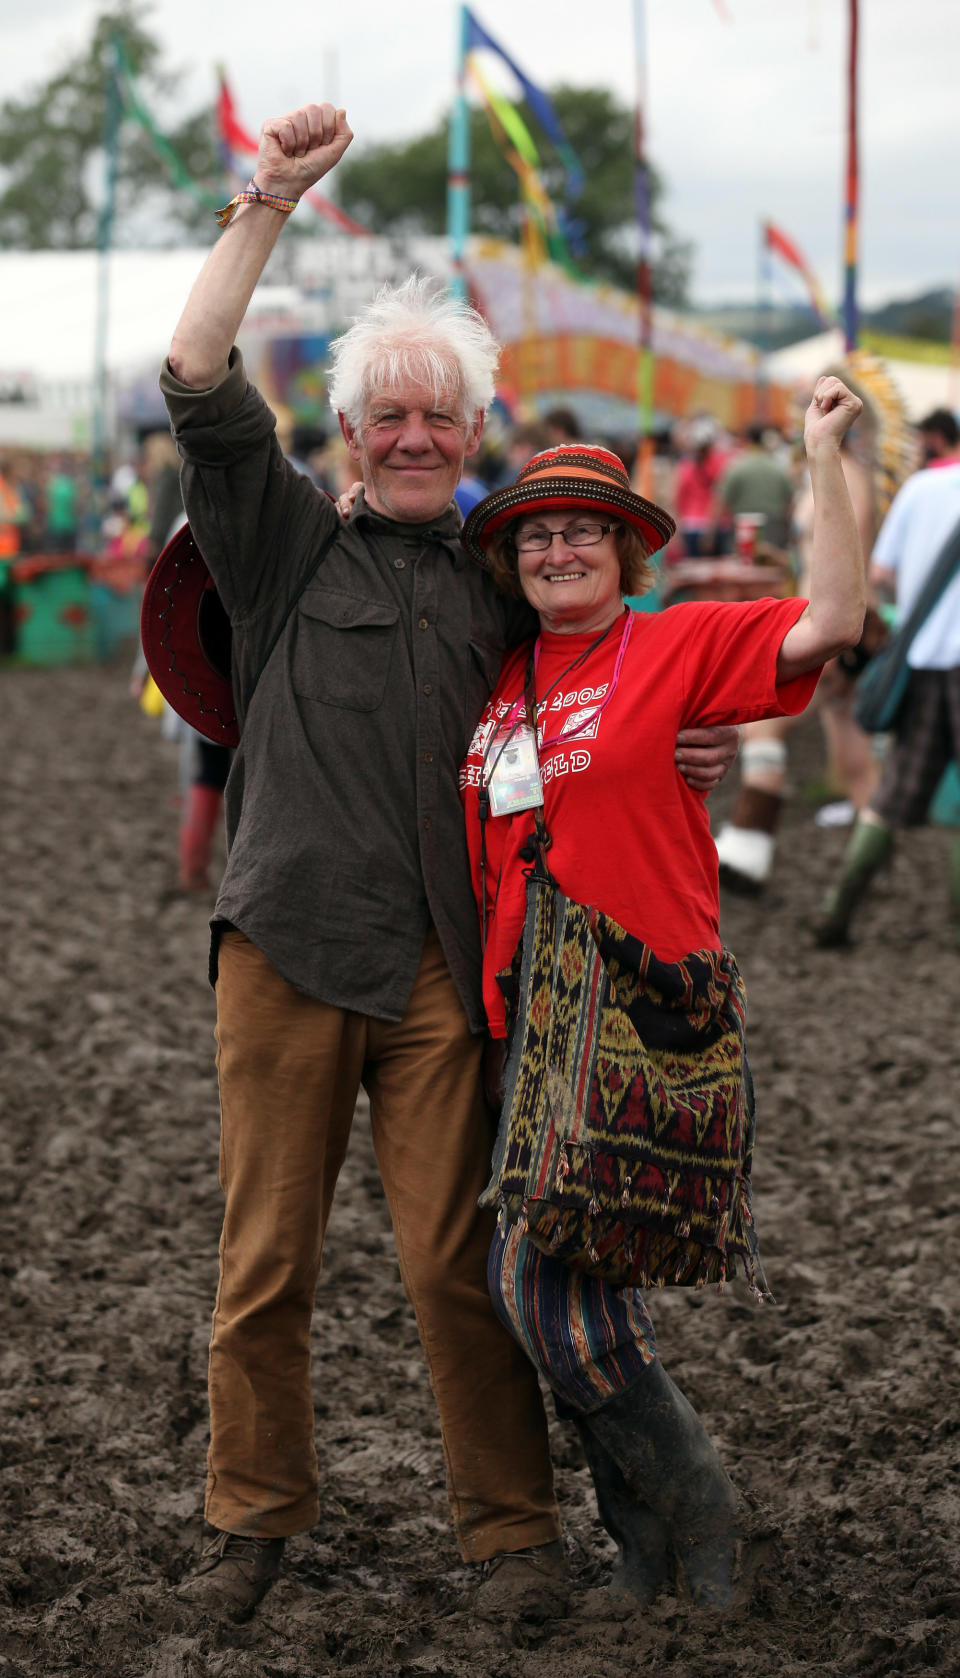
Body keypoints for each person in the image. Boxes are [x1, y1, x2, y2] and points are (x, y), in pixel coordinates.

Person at [156, 100, 739, 1625]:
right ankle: (251, 1526)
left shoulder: (507, 576)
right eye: (387, 417)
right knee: (265, 1260)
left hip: (442, 969)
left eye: (440, 418)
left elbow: (619, 691)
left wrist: (696, 750)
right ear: (349, 433)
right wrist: (268, 203)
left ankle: (510, 1536)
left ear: (473, 435)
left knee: (462, 1262)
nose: (414, 438)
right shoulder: (278, 539)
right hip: (284, 941)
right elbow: (201, 376)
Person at [458, 378, 865, 1605]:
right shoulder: (500, 681)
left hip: (640, 1005)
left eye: (583, 528)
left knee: (531, 1279)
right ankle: (646, 1551)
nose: (559, 546)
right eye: (536, 533)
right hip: (529, 1015)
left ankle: (704, 1516)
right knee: (572, 1276)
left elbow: (835, 616)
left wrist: (820, 452)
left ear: (629, 546)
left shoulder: (678, 641)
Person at [814, 444, 960, 947]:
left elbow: (881, 575)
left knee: (893, 789)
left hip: (920, 663)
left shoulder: (920, 490)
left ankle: (837, 912)